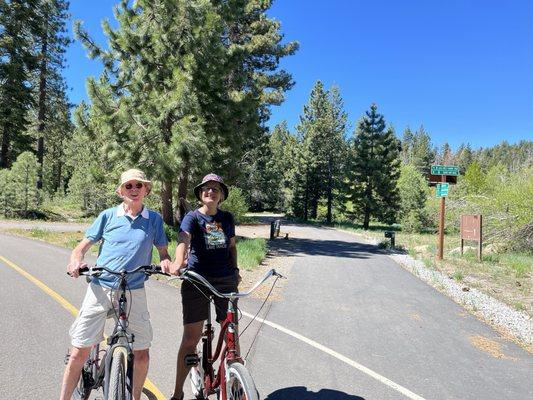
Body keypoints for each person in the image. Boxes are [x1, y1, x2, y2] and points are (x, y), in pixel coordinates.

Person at [59, 168, 171, 400]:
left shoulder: (154, 220)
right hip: (102, 286)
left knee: (142, 354)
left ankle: (136, 396)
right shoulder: (108, 216)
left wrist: (166, 263)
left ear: (146, 190)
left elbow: (163, 253)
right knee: (79, 351)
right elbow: (81, 247)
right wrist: (76, 261)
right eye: (128, 186)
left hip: (134, 289)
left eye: (138, 185)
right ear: (121, 191)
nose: (134, 190)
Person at [168, 173, 240, 400]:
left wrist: (236, 271)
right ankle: (178, 392)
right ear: (200, 194)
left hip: (225, 278)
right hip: (197, 280)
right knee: (191, 338)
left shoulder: (227, 218)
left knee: (231, 334)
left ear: (221, 196)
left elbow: (231, 247)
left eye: (215, 189)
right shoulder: (192, 217)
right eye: (206, 189)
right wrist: (178, 263)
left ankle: (232, 375)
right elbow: (183, 239)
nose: (211, 192)